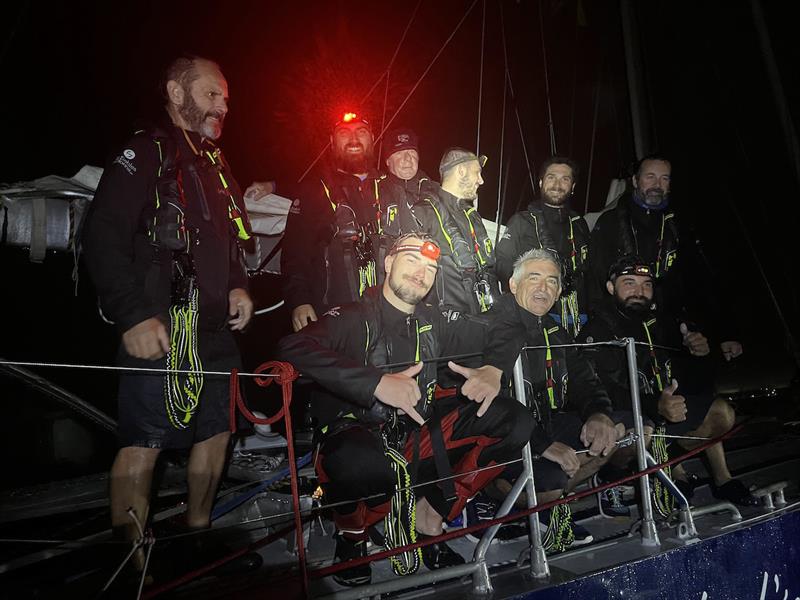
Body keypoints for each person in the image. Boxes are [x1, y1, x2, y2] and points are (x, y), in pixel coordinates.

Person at [83, 56, 258, 576]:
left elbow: (232, 244)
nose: (223, 105)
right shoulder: (143, 152)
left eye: (226, 97)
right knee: (143, 442)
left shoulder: (217, 165)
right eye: (210, 94)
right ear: (175, 92)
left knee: (216, 432)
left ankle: (196, 537)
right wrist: (132, 315)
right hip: (158, 326)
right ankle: (130, 567)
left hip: (214, 333)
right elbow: (102, 234)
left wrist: (241, 287)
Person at [278, 233, 533, 586]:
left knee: (516, 421)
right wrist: (375, 383)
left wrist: (494, 369)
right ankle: (353, 537)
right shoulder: (350, 317)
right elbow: (293, 346)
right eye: (412, 260)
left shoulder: (438, 320)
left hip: (417, 441)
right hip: (358, 439)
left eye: (430, 267)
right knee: (360, 464)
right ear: (387, 264)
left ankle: (431, 517)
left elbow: (507, 327)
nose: (421, 273)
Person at [577, 255, 758, 513]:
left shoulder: (664, 322)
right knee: (642, 432)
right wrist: (654, 405)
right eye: (629, 283)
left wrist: (702, 354)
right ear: (610, 287)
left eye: (646, 284)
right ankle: (610, 478)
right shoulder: (598, 330)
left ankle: (721, 479)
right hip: (626, 415)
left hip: (664, 410)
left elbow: (697, 382)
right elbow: (599, 390)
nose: (639, 292)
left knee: (721, 411)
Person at [487, 248, 622, 552]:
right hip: (501, 439)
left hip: (547, 422)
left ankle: (551, 505)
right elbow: (487, 408)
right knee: (548, 477)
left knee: (618, 432)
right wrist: (541, 444)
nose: (543, 287)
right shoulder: (487, 328)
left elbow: (585, 382)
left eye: (552, 281)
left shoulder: (556, 332)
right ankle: (499, 500)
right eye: (533, 278)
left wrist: (599, 413)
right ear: (512, 284)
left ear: (560, 290)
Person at [588, 155, 743, 360]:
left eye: (664, 178)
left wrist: (725, 332)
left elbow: (703, 280)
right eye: (650, 177)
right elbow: (596, 280)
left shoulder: (681, 224)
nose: (657, 185)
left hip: (676, 332)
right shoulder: (609, 223)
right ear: (635, 181)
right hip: (626, 330)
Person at [281, 112, 383, 332]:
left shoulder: (389, 187)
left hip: (386, 311)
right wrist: (299, 300)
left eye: (362, 132)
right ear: (332, 142)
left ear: (372, 139)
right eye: (344, 133)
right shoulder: (313, 190)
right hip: (333, 313)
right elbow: (294, 251)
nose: (354, 139)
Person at [496, 156, 591, 337]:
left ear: (573, 187)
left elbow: (590, 274)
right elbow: (502, 265)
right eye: (551, 177)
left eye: (565, 179)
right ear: (540, 182)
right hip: (534, 316)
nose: (557, 184)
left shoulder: (579, 224)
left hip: (577, 318)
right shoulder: (521, 221)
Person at [414, 147, 499, 315]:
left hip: (484, 319)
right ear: (461, 171)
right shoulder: (424, 212)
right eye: (477, 173)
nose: (481, 181)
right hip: (447, 324)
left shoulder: (473, 216)